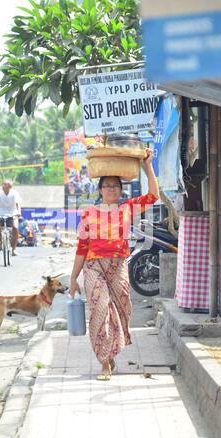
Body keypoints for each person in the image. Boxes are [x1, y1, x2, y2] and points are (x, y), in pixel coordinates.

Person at [69, 148, 159, 380]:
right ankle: (105, 362)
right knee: (100, 310)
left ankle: (112, 352)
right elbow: (81, 247)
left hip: (118, 266)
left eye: (115, 186)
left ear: (121, 190)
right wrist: (72, 278)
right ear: (99, 190)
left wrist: (147, 166)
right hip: (93, 267)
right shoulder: (88, 213)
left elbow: (153, 196)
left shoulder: (127, 208)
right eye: (107, 186)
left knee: (121, 309)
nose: (111, 189)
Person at [0, 179, 21, 256]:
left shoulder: (14, 193)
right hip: (0, 213)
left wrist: (19, 212)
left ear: (10, 186)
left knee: (15, 228)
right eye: (3, 184)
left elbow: (18, 203)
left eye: (5, 184)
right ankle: (1, 243)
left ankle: (14, 249)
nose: (3, 186)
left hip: (12, 213)